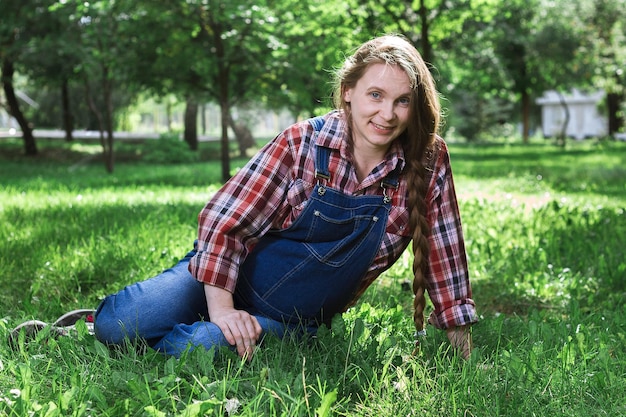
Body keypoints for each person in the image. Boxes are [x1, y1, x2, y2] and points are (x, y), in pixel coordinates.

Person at [93, 34, 478, 360]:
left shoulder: (427, 159)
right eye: (375, 95)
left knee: (200, 346)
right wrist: (224, 311)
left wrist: (462, 352)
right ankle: (173, 317)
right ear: (348, 92)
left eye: (402, 101)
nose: (387, 114)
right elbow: (223, 222)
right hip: (225, 276)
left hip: (294, 318)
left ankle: (190, 332)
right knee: (116, 325)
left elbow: (444, 254)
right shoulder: (303, 143)